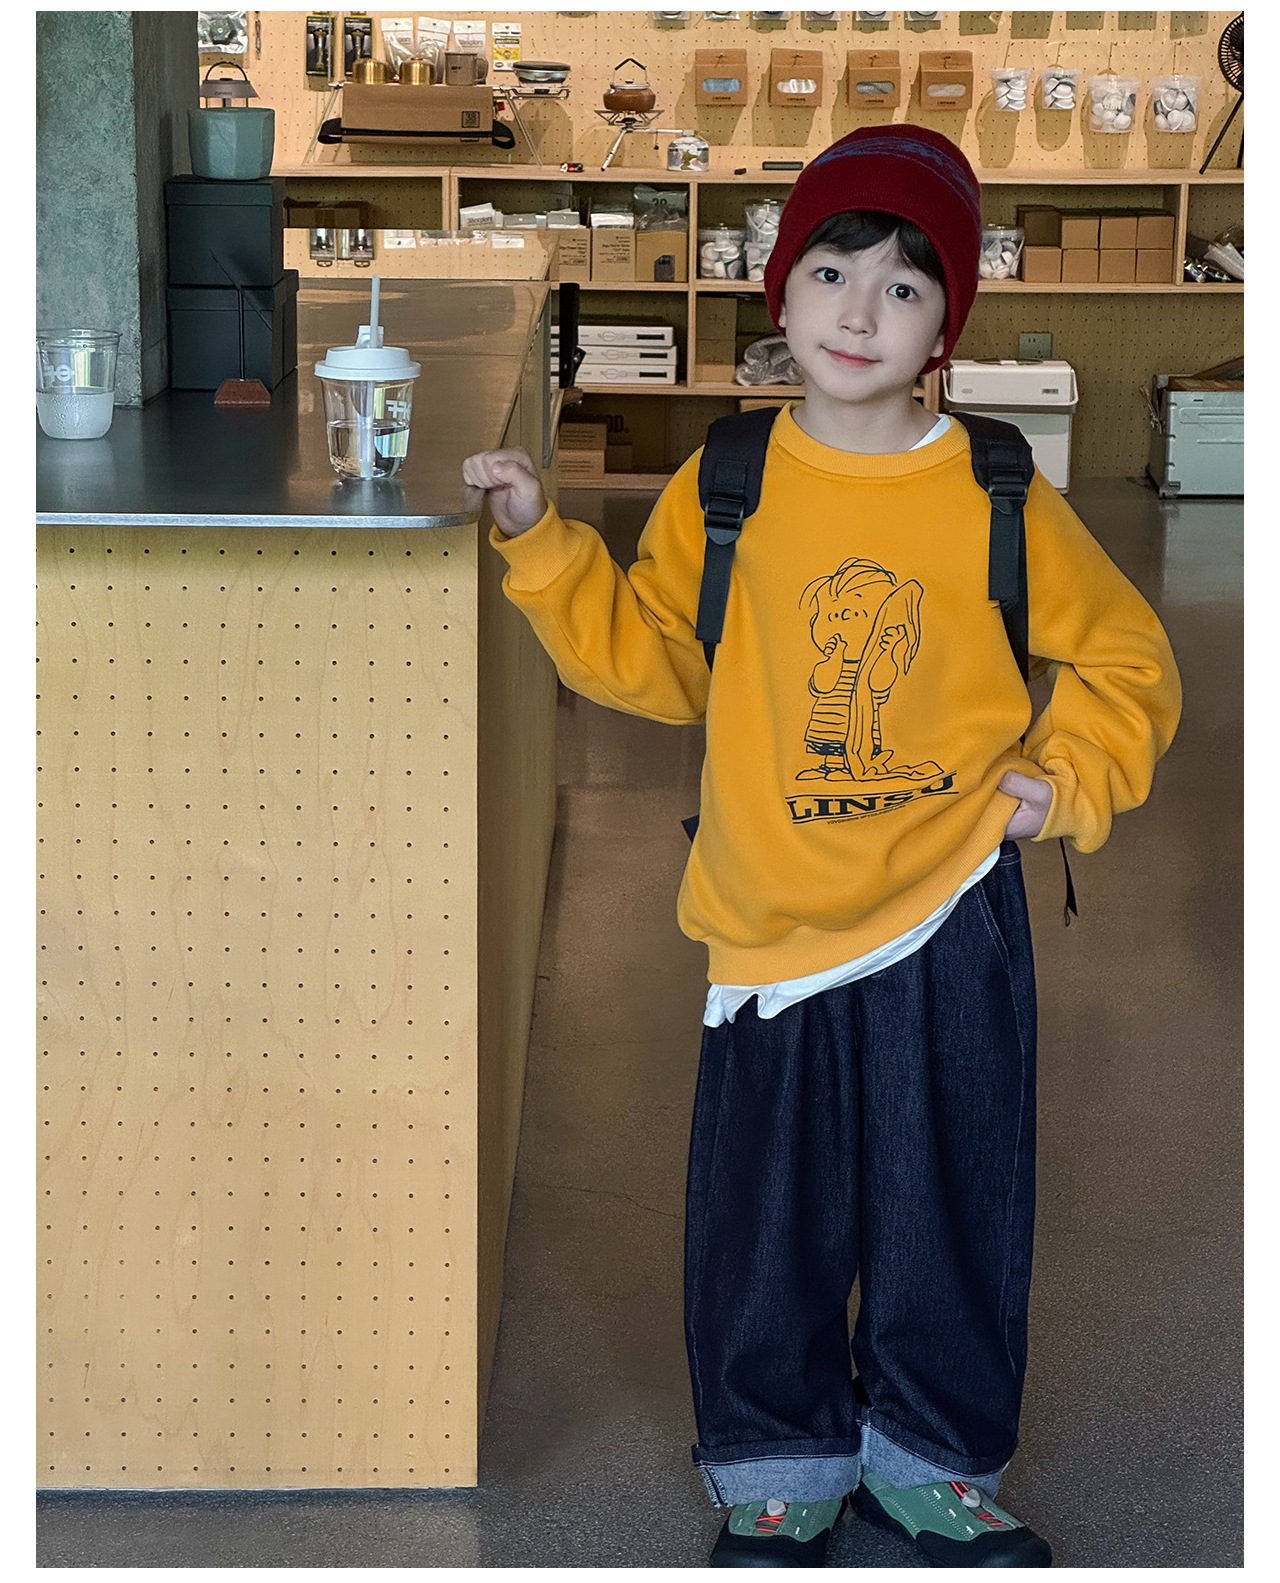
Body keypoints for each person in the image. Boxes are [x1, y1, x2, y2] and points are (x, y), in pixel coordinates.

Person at [462, 125, 1181, 1568]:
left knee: (949, 1199)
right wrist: (544, 544)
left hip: (950, 907)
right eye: (833, 272)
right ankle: (778, 1461)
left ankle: (932, 1459)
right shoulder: (727, 479)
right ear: (780, 290)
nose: (861, 313)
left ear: (943, 326)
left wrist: (1063, 787)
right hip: (770, 917)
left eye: (905, 288)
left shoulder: (995, 488)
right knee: (767, 1213)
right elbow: (662, 663)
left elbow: (1127, 659)